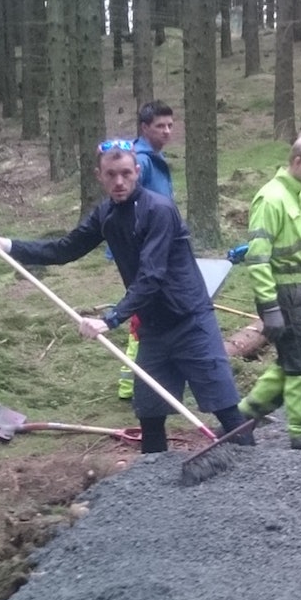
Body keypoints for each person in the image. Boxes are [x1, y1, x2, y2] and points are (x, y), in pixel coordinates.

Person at [0, 141, 252, 455]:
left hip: (190, 320)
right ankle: (154, 482)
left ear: (138, 172)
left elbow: (151, 275)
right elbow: (64, 249)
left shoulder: (159, 210)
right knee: (149, 413)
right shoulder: (105, 214)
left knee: (224, 405)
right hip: (153, 329)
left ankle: (254, 470)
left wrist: (110, 319)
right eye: (111, 175)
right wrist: (6, 243)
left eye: (125, 174)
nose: (119, 182)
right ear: (99, 176)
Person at [237, 134, 301, 450]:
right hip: (284, 294)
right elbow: (257, 258)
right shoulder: (272, 199)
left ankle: (243, 416)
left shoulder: (297, 195)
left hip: (300, 291)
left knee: (292, 359)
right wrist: (270, 306)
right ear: (297, 162)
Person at [116, 100, 178, 398]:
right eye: (159, 126)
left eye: (170, 125)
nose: (167, 131)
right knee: (143, 315)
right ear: (144, 128)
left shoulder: (153, 157)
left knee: (152, 313)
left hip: (160, 246)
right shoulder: (139, 162)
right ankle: (135, 381)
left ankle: (149, 378)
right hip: (146, 250)